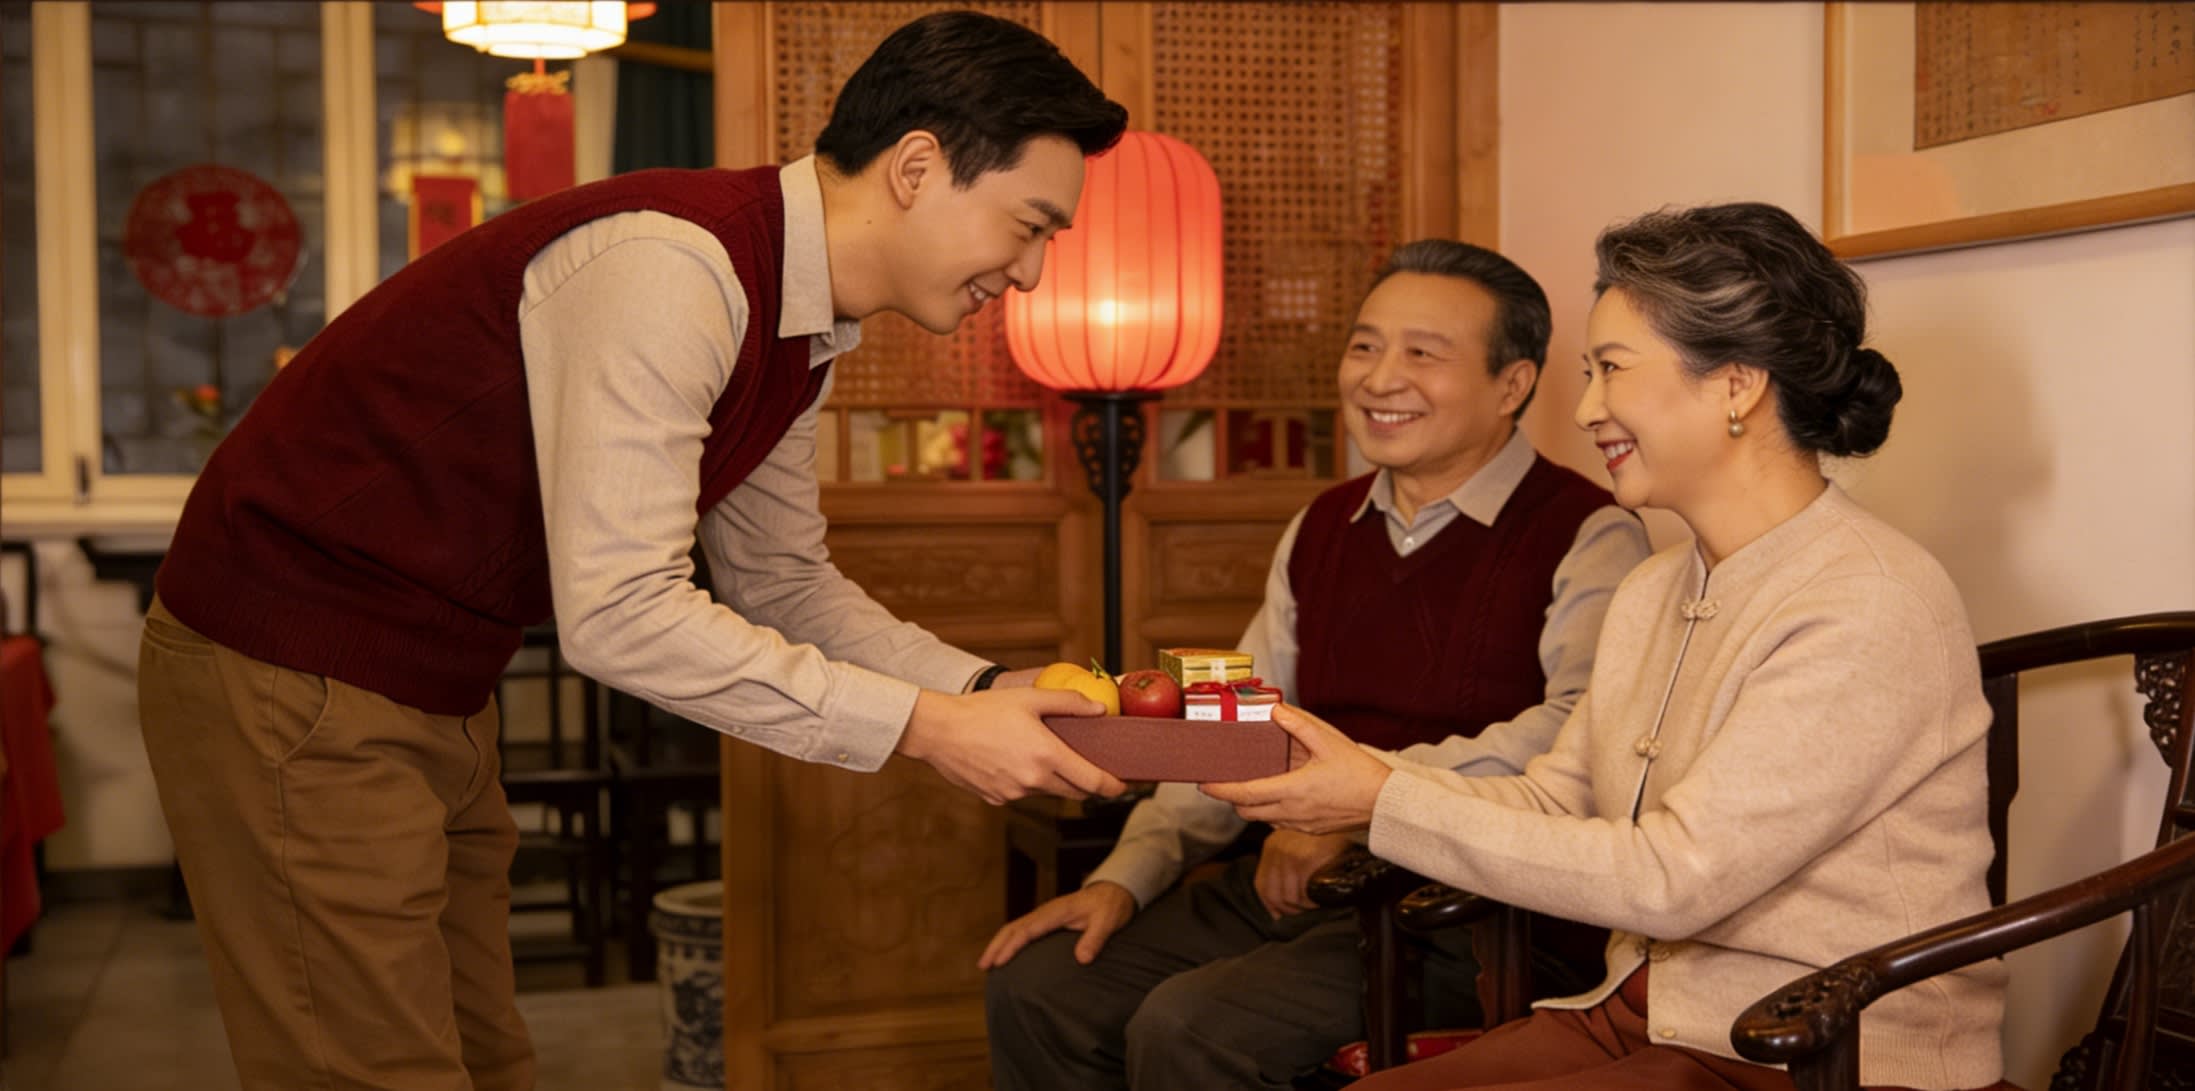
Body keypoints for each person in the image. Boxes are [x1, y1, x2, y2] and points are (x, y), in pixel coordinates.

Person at [134, 13, 1129, 1091]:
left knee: (479, 1052)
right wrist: (936, 728)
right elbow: (619, 613)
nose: (1029, 273)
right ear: (918, 165)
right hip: (293, 658)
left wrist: (979, 686)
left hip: (429, 676)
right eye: (1028, 225)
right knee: (369, 1066)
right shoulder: (674, 264)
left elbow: (780, 579)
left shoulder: (802, 329)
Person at [1207, 202, 2007, 1090]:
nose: (1585, 408)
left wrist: (1383, 797)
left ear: (1736, 384)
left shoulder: (1865, 600)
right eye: (1588, 372)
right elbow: (1559, 794)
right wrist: (1358, 780)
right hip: (1647, 1008)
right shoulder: (1654, 587)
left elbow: (1674, 878)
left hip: (1816, 1045)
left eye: (1611, 370)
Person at [982, 240, 1652, 1090]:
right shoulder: (1322, 524)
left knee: (1193, 1028)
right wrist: (1125, 875)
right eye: (1365, 346)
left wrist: (1353, 806)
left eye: (1422, 352)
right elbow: (1231, 716)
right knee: (1040, 987)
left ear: (1511, 385)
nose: (1379, 378)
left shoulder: (1589, 532)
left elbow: (1573, 738)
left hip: (1469, 912)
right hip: (1301, 876)